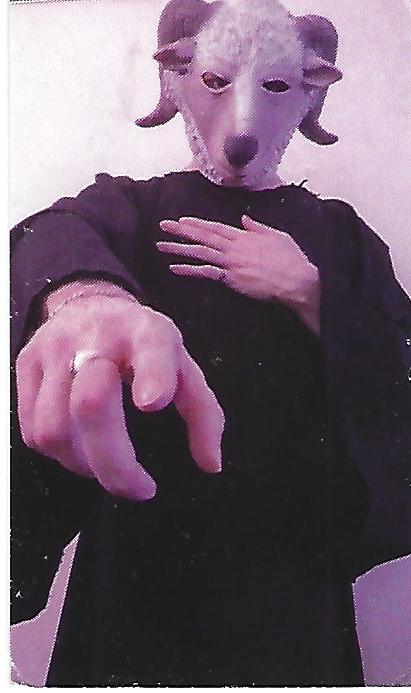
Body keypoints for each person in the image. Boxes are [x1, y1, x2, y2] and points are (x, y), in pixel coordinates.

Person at [10, 0, 410, 686]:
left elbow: (398, 361)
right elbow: (51, 232)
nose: (243, 119)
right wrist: (85, 298)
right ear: (178, 79)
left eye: (276, 85)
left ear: (308, 93)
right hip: (141, 550)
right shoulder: (134, 207)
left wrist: (309, 291)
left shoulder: (340, 235)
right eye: (216, 81)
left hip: (291, 563)